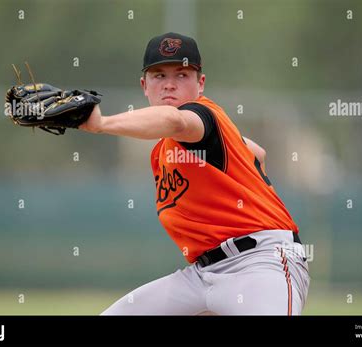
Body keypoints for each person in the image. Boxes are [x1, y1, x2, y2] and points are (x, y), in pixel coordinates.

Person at [79, 32, 310, 315]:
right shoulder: (165, 151)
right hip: (201, 275)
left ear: (200, 84)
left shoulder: (202, 116)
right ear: (144, 85)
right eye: (159, 75)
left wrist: (101, 123)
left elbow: (174, 120)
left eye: (182, 74)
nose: (170, 85)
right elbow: (257, 153)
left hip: (260, 265)